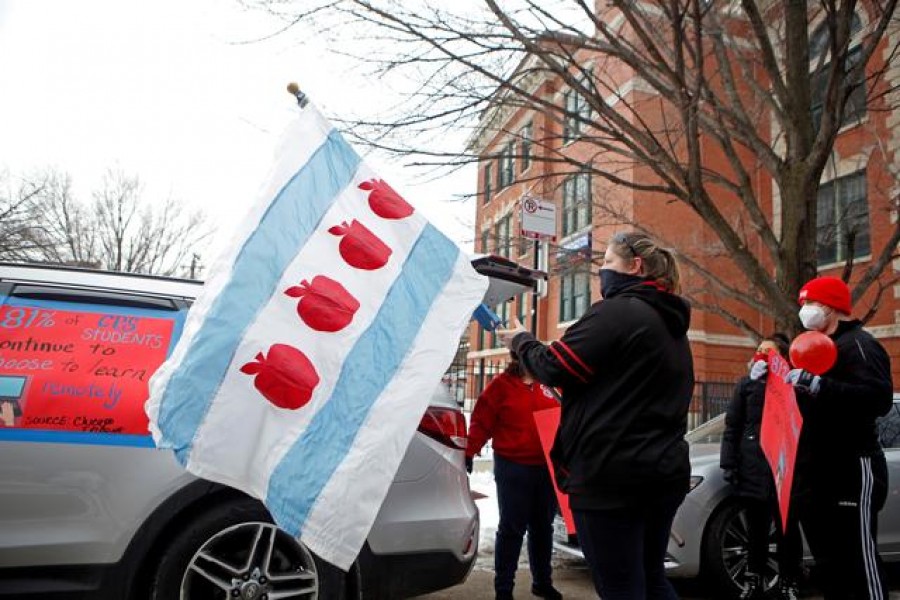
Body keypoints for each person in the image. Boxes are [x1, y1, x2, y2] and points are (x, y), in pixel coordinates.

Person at [498, 232, 694, 600]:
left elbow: (556, 366)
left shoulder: (618, 311)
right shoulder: (671, 327)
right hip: (661, 474)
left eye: (607, 263)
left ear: (635, 266)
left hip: (612, 477)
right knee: (651, 578)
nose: (600, 272)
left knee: (620, 586)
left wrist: (523, 341)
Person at [786, 276, 893, 599]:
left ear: (831, 307)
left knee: (858, 566)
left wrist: (821, 386)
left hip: (850, 469)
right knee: (829, 568)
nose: (804, 311)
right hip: (817, 472)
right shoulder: (814, 347)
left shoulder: (859, 345)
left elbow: (878, 399)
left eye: (810, 304)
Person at [466, 354, 563, 600]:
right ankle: (504, 589)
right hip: (513, 468)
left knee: (543, 528)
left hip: (546, 468)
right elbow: (481, 421)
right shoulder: (501, 386)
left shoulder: (550, 385)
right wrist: (469, 450)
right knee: (511, 528)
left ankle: (542, 582)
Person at [720, 334, 803, 600]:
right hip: (753, 469)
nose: (761, 354)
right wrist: (729, 464)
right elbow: (732, 426)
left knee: (787, 531)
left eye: (767, 351)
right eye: (758, 350)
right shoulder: (747, 385)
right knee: (755, 531)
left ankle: (789, 582)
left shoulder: (794, 385)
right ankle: (753, 581)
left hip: (784, 471)